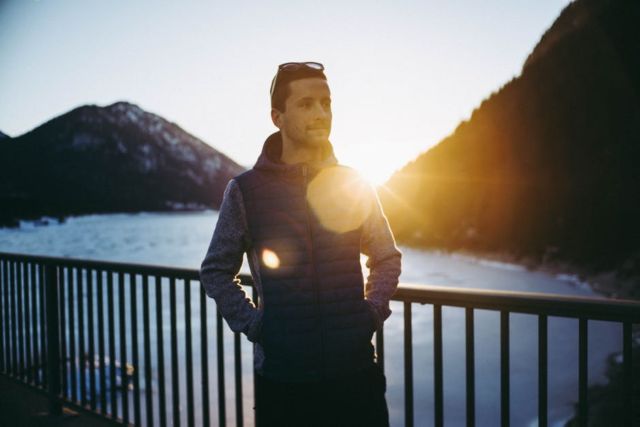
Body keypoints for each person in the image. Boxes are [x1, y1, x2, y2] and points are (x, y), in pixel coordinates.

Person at [199, 61, 402, 427]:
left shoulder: (353, 183)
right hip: (284, 383)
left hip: (355, 377)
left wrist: (371, 313)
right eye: (306, 104)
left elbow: (386, 257)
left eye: (326, 103)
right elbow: (215, 270)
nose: (321, 113)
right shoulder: (246, 191)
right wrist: (256, 325)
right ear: (277, 116)